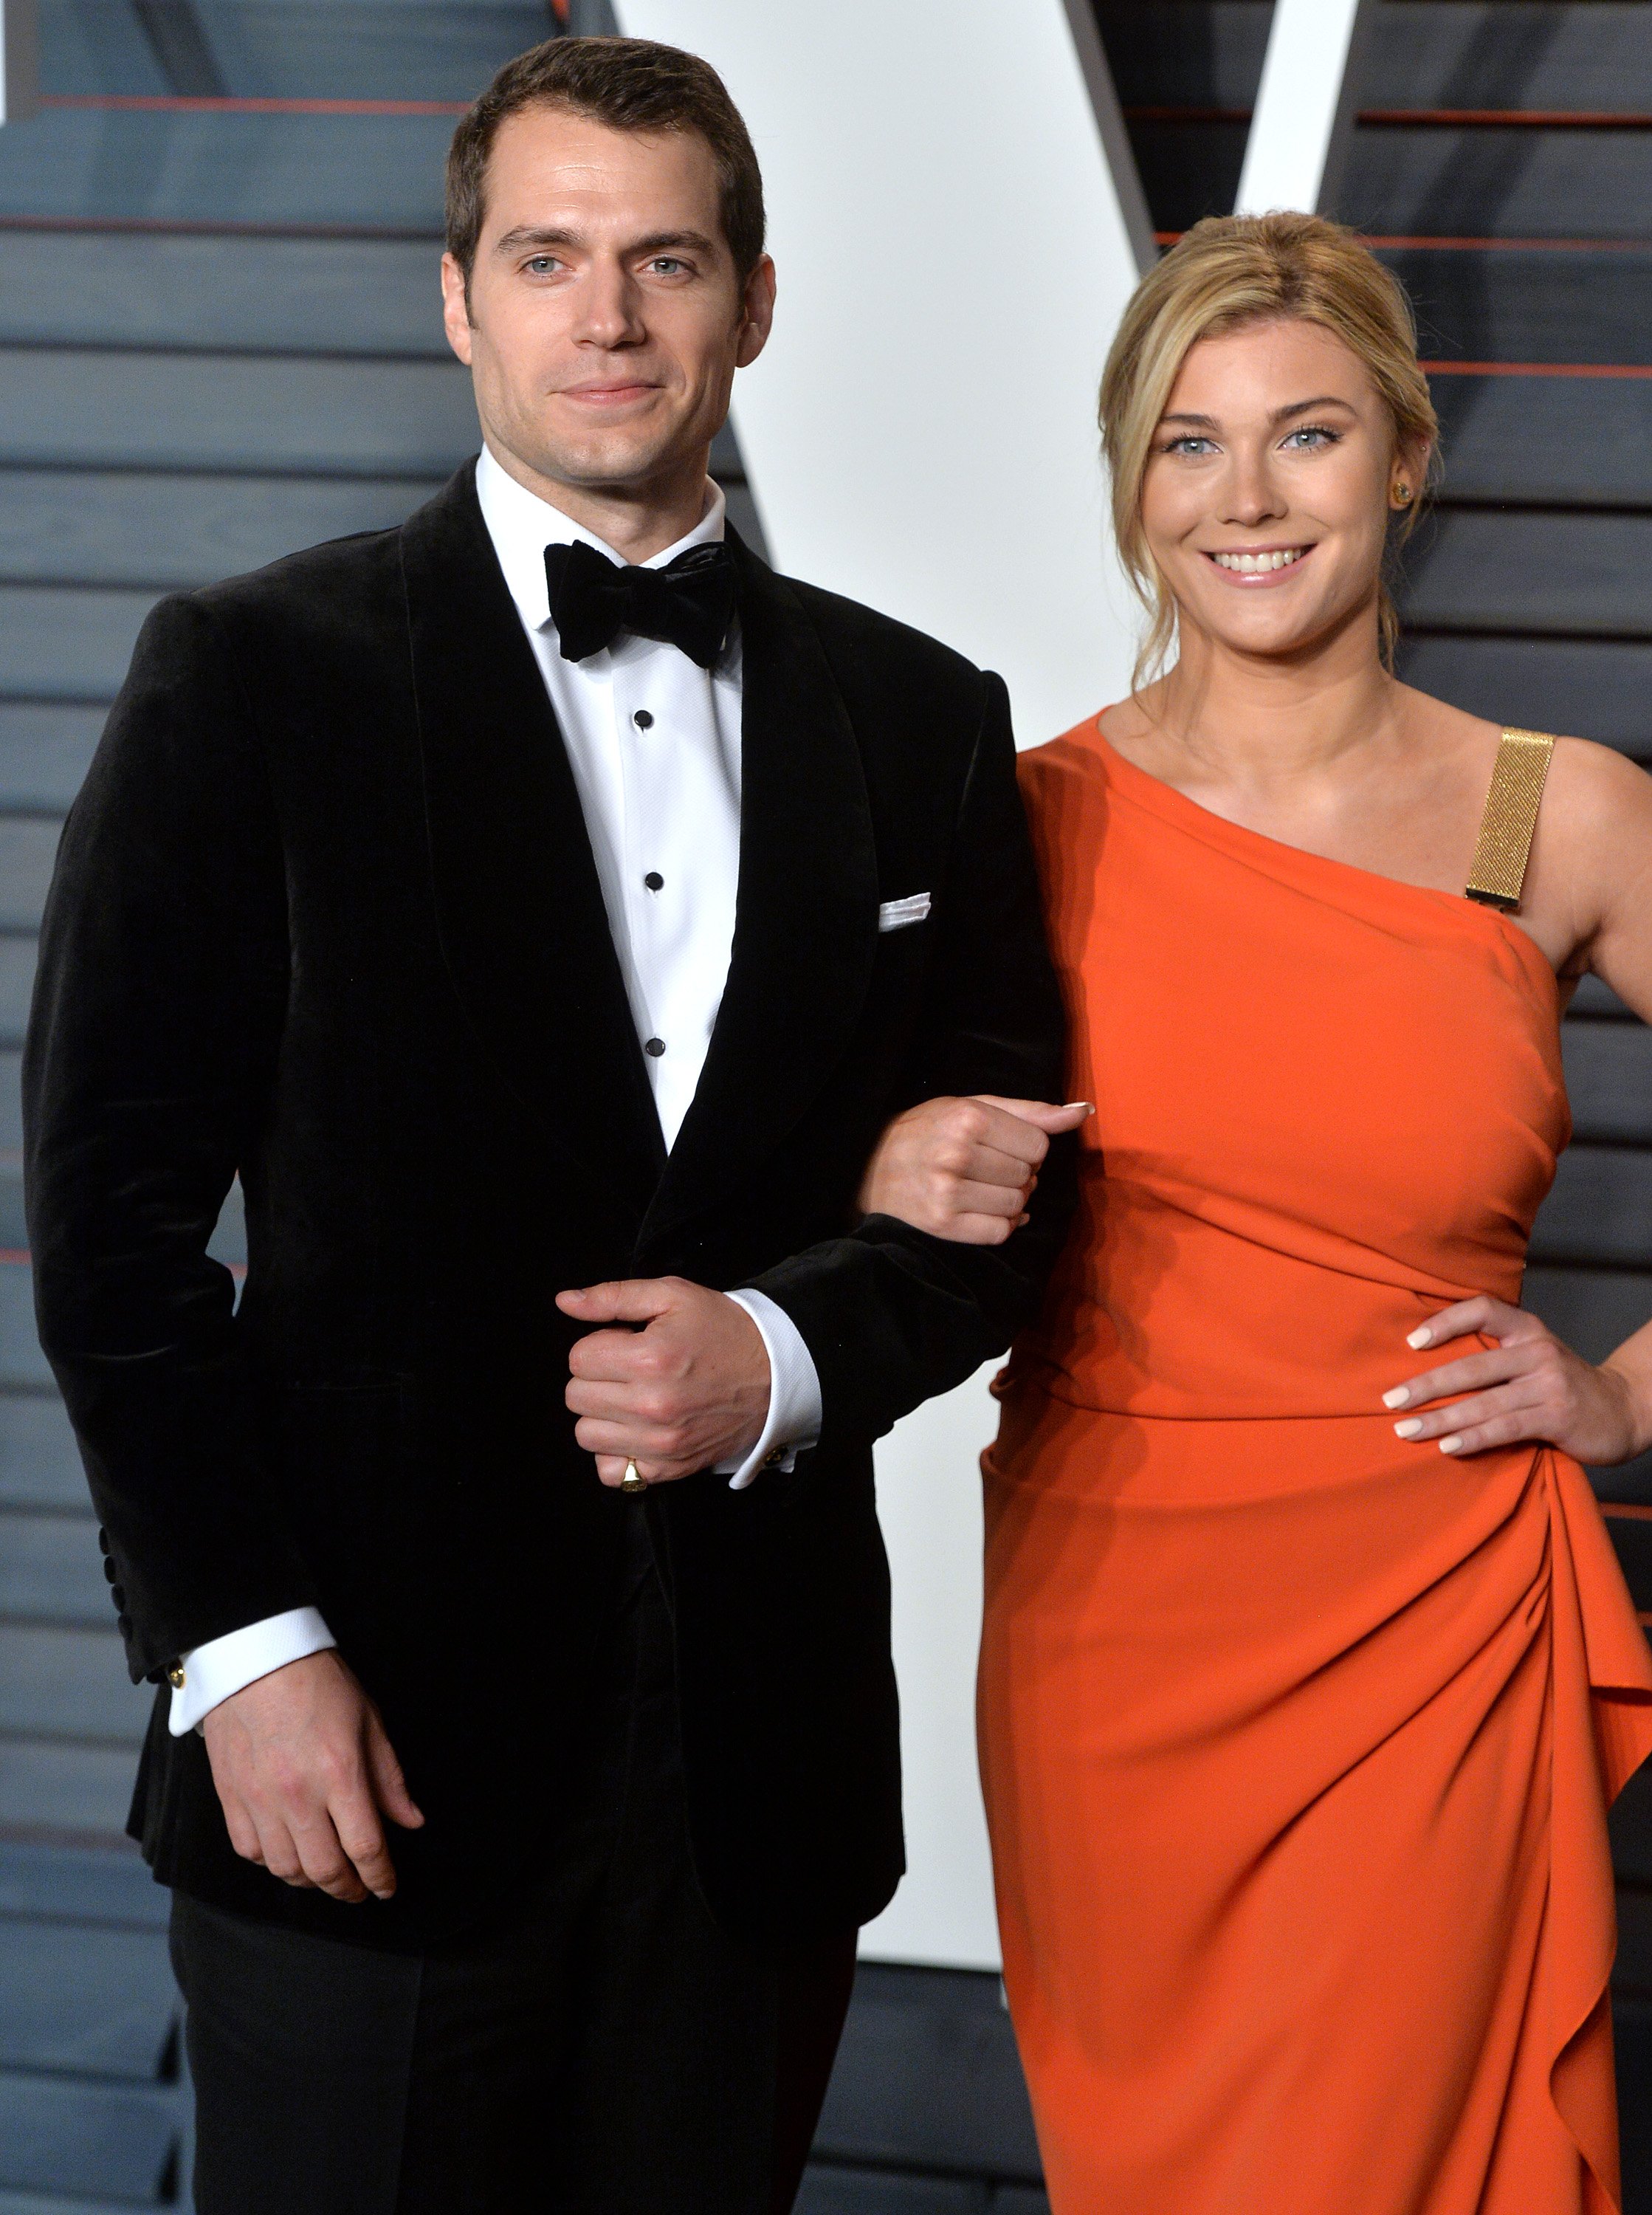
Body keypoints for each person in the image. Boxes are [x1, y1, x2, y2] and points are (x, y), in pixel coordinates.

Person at [21, 37, 1081, 2215]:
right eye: (549, 259)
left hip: (752, 1792)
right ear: (460, 300)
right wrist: (244, 1653)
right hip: (356, 1763)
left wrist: (783, 1356)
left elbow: (1010, 1202)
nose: (608, 317)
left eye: (665, 260)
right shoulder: (249, 672)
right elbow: (110, 1228)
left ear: (754, 302)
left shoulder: (924, 715)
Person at [860, 213, 1652, 2213]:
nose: (1247, 498)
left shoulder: (1549, 815)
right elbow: (796, 1169)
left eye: (1304, 435)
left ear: (1402, 453)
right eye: (1188, 444)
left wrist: (1628, 1398)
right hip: (1114, 1643)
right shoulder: (1010, 821)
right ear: (1132, 485)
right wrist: (883, 1170)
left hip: (1432, 1630)